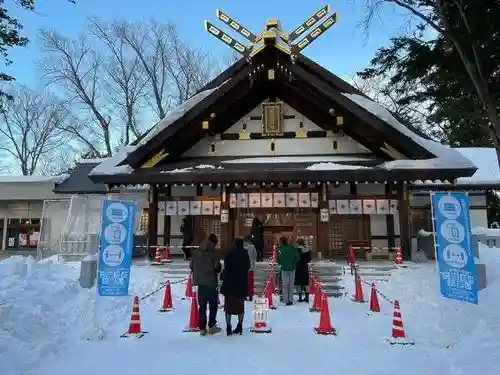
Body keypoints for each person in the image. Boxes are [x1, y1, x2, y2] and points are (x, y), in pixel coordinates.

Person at [189, 233, 222, 336]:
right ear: (214, 243)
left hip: (200, 284)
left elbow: (191, 266)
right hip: (211, 283)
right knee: (213, 305)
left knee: (202, 306)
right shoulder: (213, 253)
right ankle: (212, 326)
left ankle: (202, 328)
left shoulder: (197, 252)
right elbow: (217, 268)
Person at [220, 238, 251, 335]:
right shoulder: (245, 254)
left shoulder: (230, 254)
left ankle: (228, 327)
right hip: (241, 283)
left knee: (228, 307)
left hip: (230, 283)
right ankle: (240, 325)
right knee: (240, 307)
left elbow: (226, 266)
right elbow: (248, 266)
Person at [277, 236, 300, 306]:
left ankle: (286, 299)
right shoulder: (292, 248)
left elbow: (279, 260)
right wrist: (294, 263)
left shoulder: (280, 249)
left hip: (284, 269)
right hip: (292, 268)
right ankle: (290, 299)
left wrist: (282, 263)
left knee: (285, 285)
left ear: (281, 242)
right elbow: (298, 258)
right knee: (291, 284)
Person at [294, 238, 312, 303]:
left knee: (298, 283)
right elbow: (309, 260)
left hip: (298, 267)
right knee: (306, 283)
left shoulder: (296, 250)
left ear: (298, 243)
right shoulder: (308, 250)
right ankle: (307, 297)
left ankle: (300, 297)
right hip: (305, 267)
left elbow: (295, 259)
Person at [243, 235, 258, 301]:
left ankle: (244, 294)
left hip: (242, 267)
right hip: (250, 267)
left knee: (243, 281)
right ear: (249, 240)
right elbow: (255, 256)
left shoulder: (242, 246)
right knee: (250, 282)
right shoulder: (252, 247)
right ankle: (250, 295)